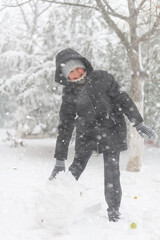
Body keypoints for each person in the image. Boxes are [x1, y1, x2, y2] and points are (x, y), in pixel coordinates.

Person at [49, 48, 156, 222]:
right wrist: (60, 158)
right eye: (71, 72)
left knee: (112, 172)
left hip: (111, 129)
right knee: (75, 169)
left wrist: (138, 122)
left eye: (78, 69)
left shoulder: (102, 77)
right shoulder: (69, 94)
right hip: (87, 133)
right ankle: (55, 202)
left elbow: (123, 99)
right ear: (65, 77)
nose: (76, 74)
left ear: (84, 65)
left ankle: (114, 211)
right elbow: (65, 125)